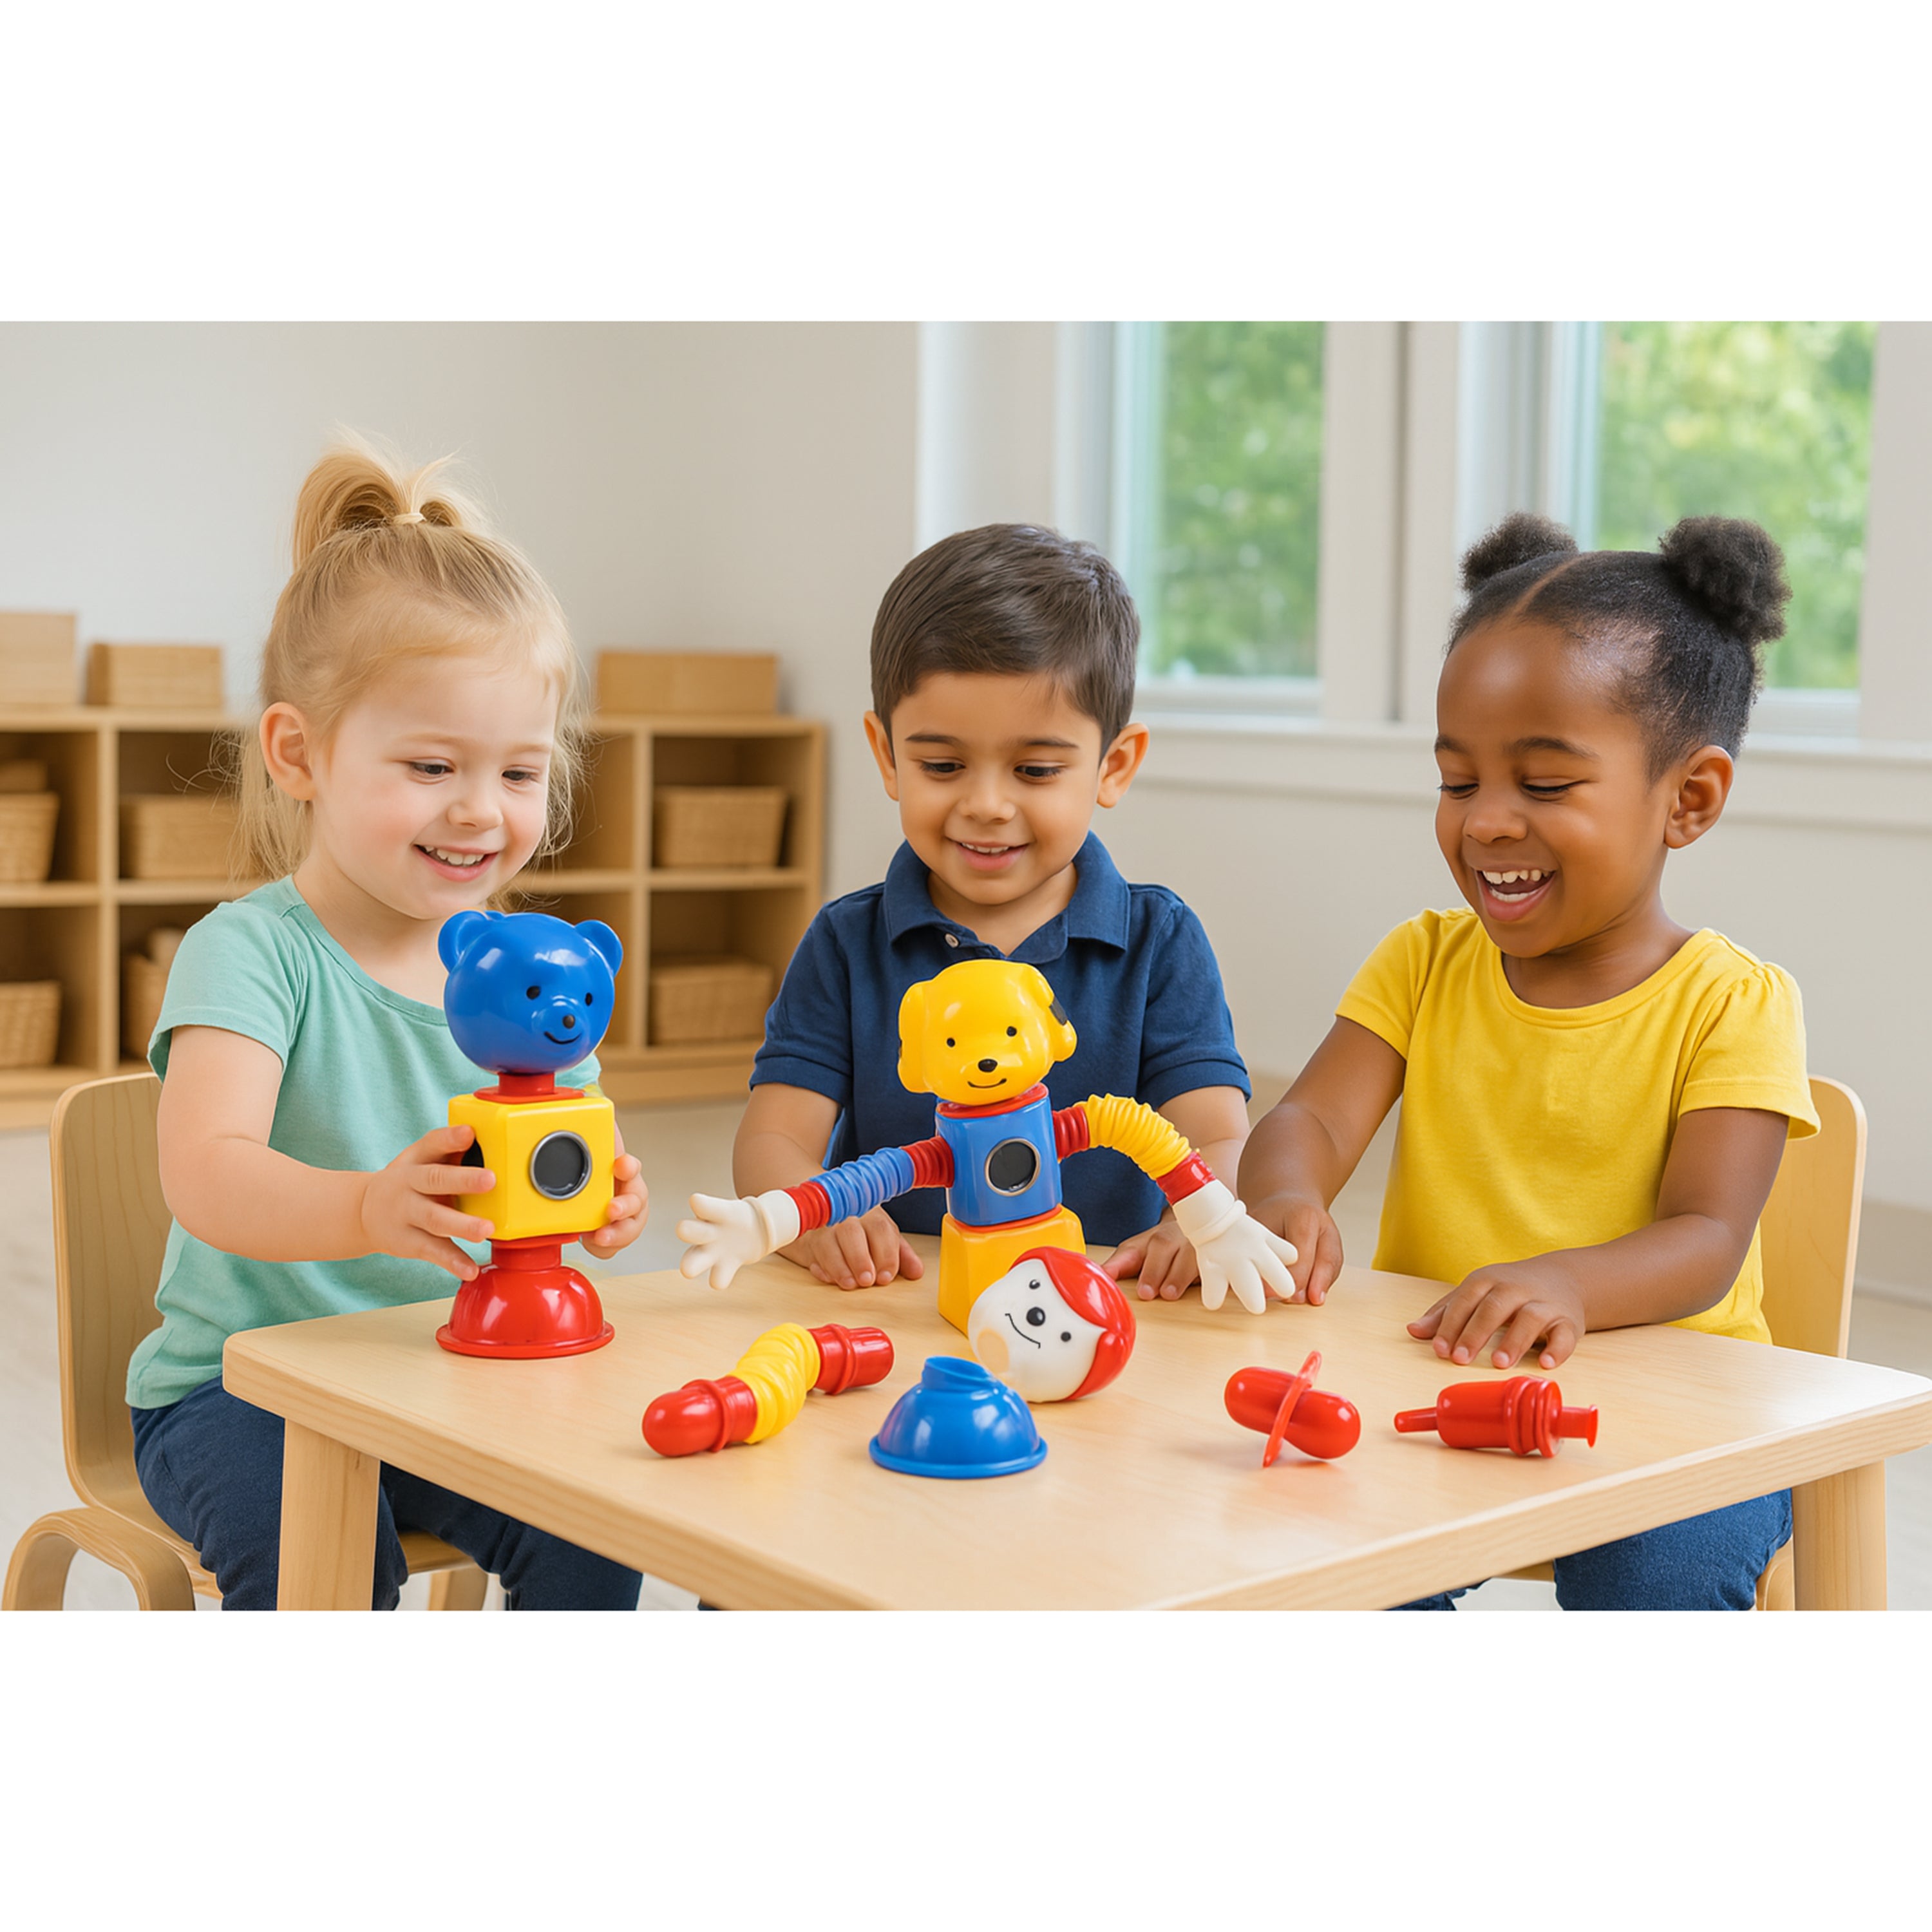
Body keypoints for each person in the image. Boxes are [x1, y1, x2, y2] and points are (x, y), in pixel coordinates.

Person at [1239, 510, 1818, 1611]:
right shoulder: (1422, 961)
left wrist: (1564, 1282)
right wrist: (1284, 1194)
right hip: (1435, 1382)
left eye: (1545, 786)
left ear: (1688, 799)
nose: (1487, 823)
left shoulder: (1734, 1002)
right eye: (1459, 782)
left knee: (1654, 1587)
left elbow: (1705, 1239)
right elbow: (1308, 1122)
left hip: (1678, 1416)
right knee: (1313, 1566)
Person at [126, 441, 649, 1611]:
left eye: (520, 772)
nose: (480, 810)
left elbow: (556, 1148)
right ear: (299, 754)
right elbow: (207, 1176)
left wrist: (602, 1195)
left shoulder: (533, 971)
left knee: (603, 1523)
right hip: (242, 1390)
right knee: (323, 1549)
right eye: (430, 765)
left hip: (444, 1367)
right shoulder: (252, 951)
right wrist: (367, 1205)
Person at [736, 522, 1255, 1301]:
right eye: (941, 765)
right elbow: (774, 1136)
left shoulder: (1160, 940)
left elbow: (1216, 1133)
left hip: (1110, 1305)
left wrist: (1197, 1221)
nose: (985, 805)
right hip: (905, 1300)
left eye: (1035, 769)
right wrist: (811, 1219)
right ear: (886, 757)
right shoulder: (847, 942)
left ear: (1113, 766)